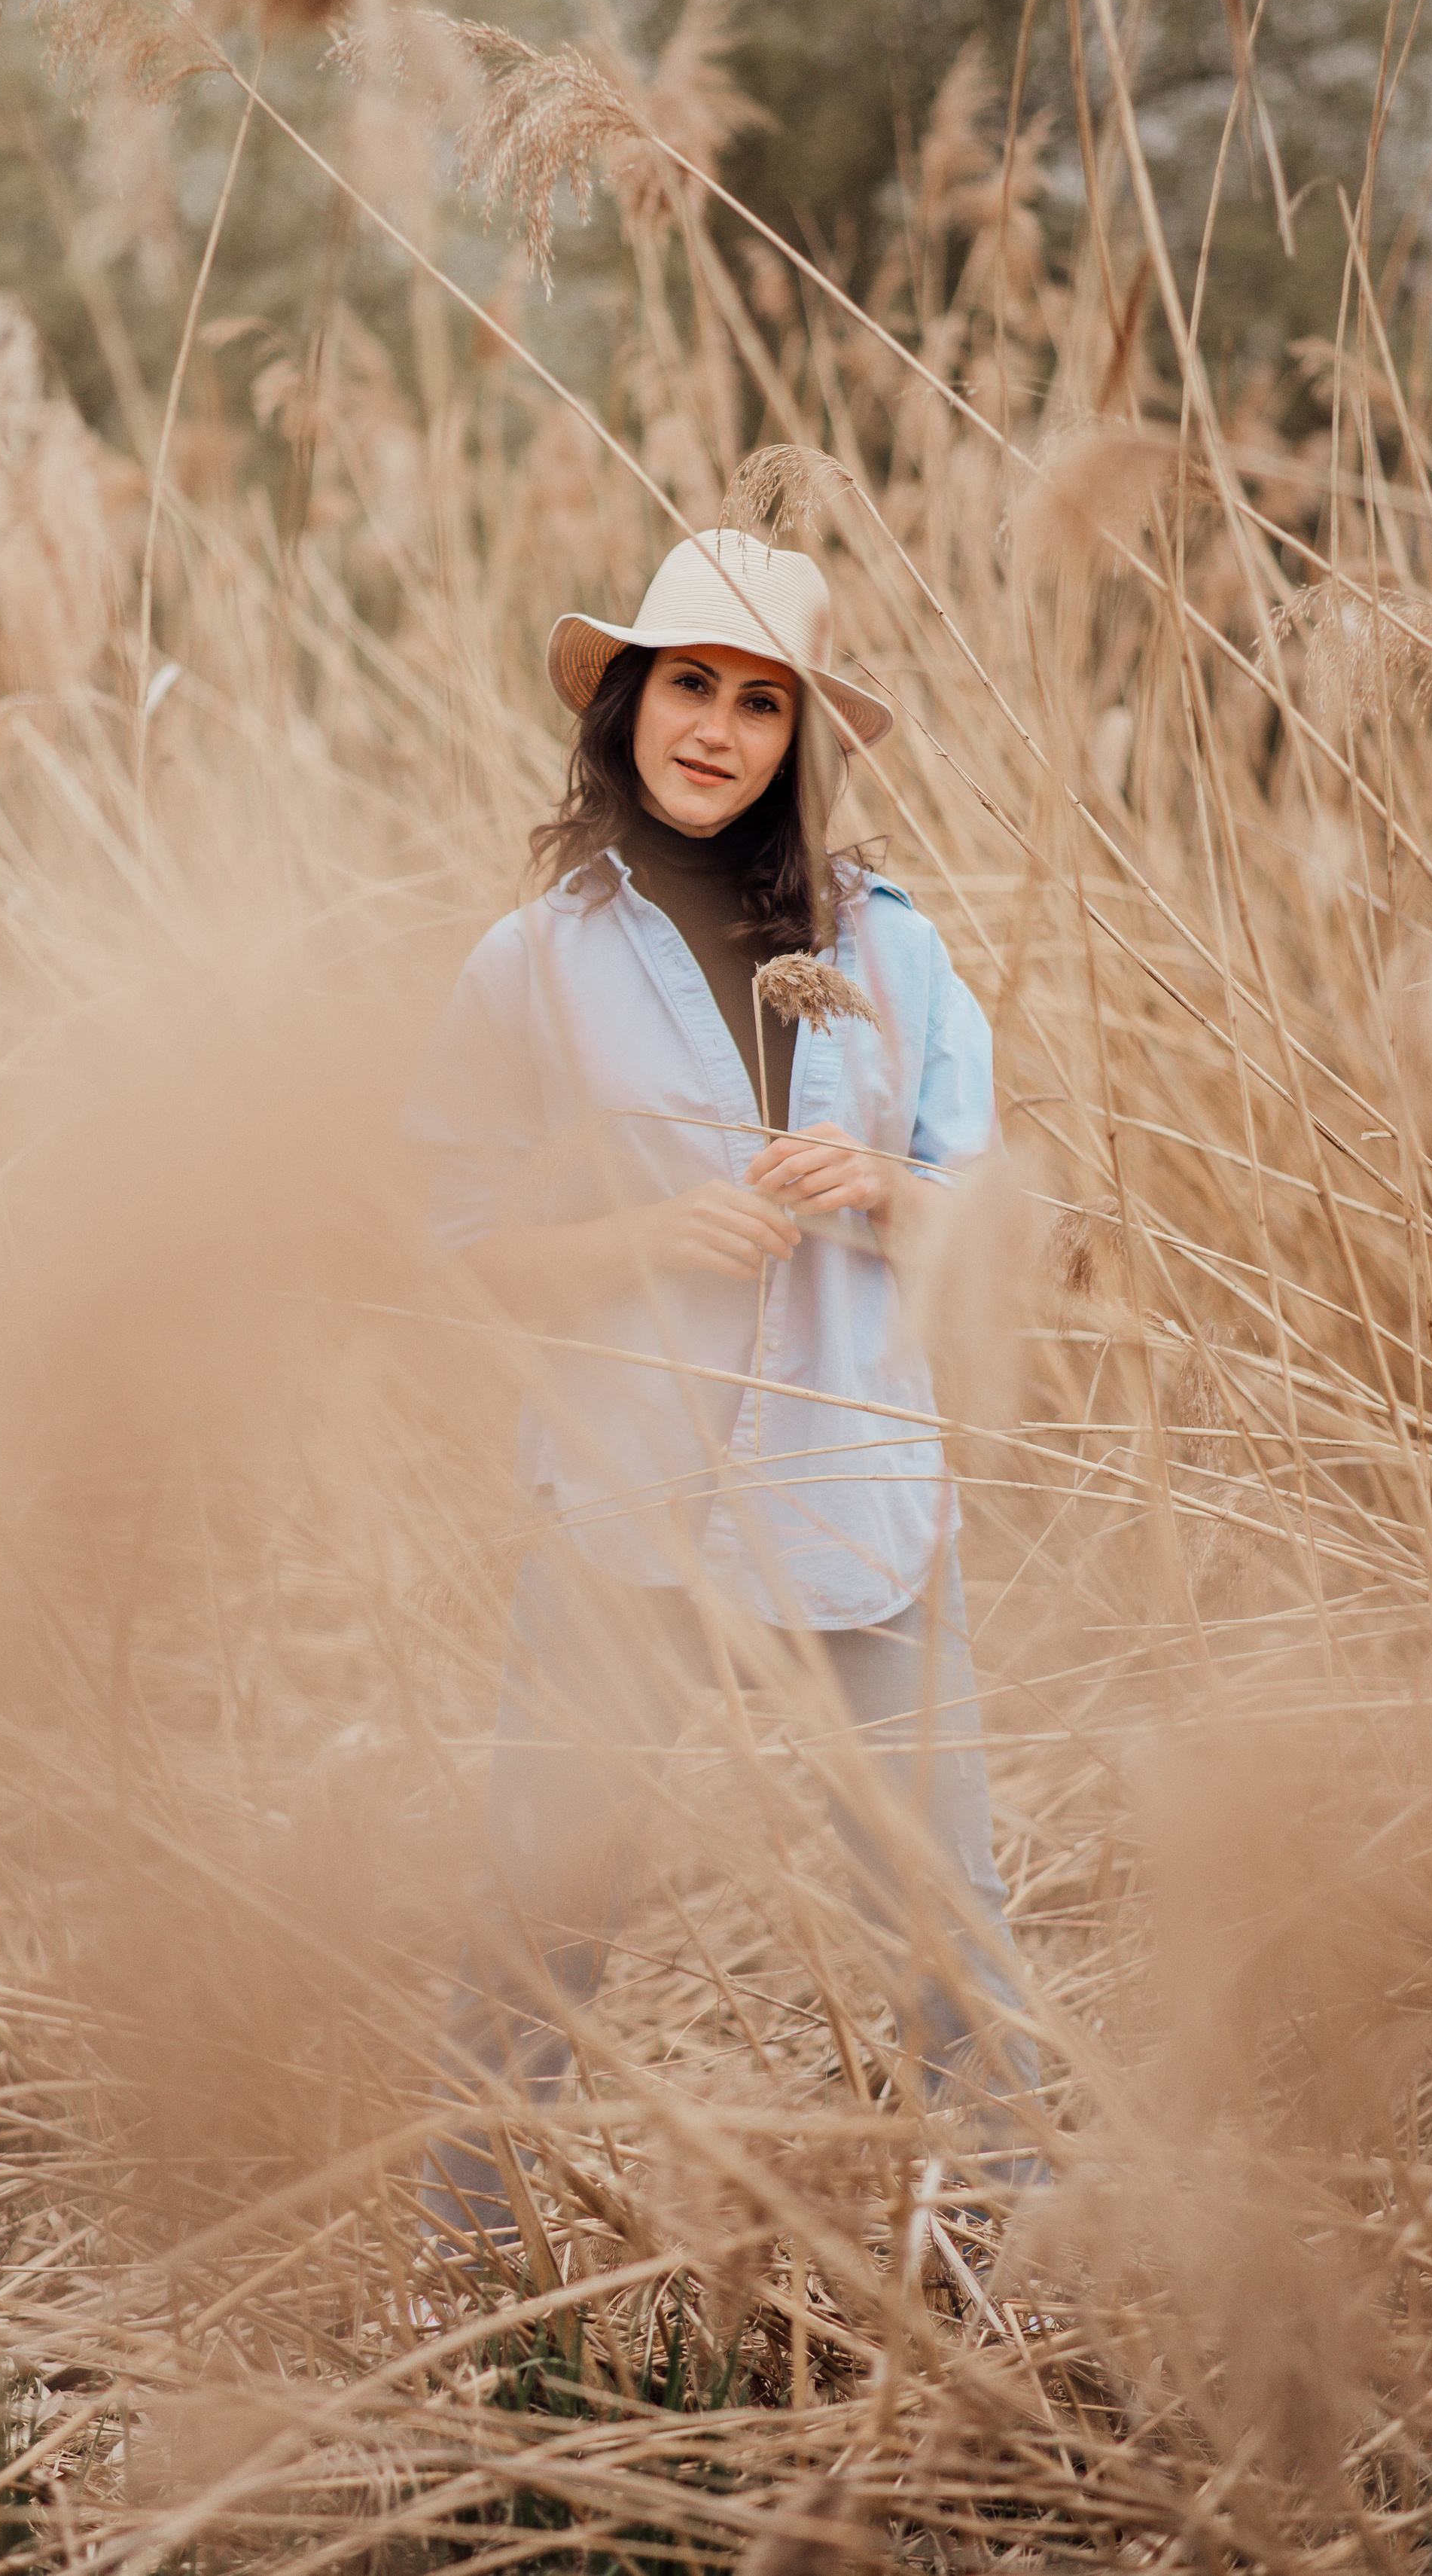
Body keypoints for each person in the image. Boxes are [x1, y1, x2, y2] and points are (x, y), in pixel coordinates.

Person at [404, 529, 1040, 2260]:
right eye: (689, 683)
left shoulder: (896, 954)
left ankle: (1047, 2297)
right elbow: (445, 1238)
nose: (718, 728)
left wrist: (886, 1195)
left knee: (946, 1921)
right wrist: (627, 1239)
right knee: (545, 1913)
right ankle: (453, 2269)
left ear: (797, 741)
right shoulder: (526, 962)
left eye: (762, 702)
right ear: (623, 702)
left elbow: (997, 1231)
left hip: (851, 1490)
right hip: (628, 1503)